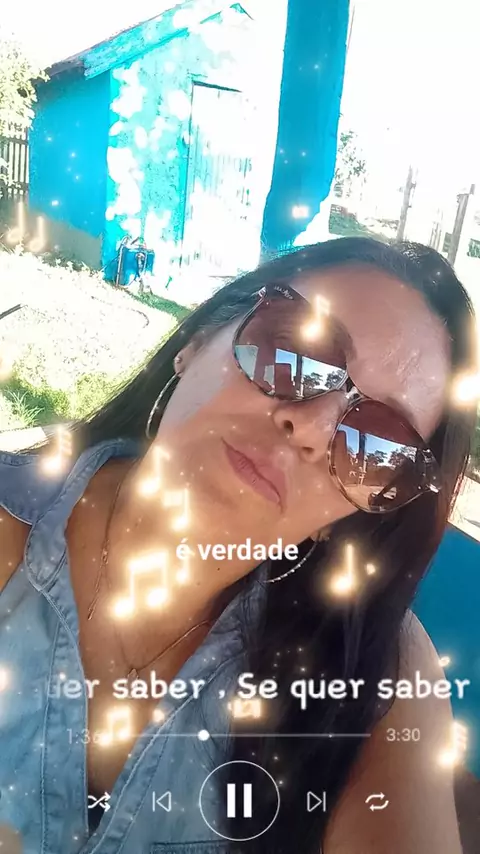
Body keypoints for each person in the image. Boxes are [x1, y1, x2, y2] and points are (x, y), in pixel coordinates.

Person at [0, 237, 476, 854]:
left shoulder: (374, 663)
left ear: (351, 515)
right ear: (196, 343)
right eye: (295, 353)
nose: (309, 427)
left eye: (377, 446)